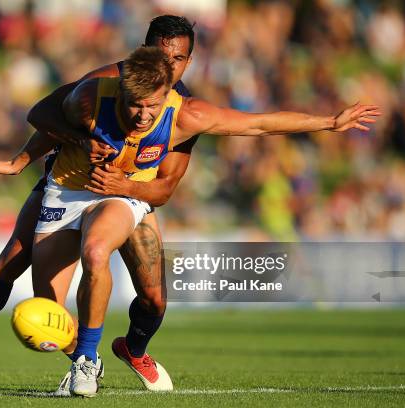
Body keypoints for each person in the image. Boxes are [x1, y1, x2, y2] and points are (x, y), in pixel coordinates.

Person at [26, 45, 380, 397]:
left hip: (123, 193)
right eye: (136, 104)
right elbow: (41, 115)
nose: (143, 115)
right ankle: (87, 356)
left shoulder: (185, 116)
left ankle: (85, 361)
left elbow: (257, 124)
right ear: (121, 91)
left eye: (153, 104)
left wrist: (330, 122)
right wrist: (80, 140)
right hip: (67, 191)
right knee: (49, 309)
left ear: (167, 94)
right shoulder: (90, 96)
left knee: (97, 251)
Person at [0, 15, 197, 392]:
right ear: (144, 48)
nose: (169, 64)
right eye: (162, 54)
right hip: (69, 183)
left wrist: (131, 189)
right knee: (18, 265)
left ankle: (133, 350)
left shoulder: (185, 108)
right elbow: (49, 115)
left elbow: (167, 184)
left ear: (189, 61)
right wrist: (21, 161)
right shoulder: (105, 80)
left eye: (179, 58)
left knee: (153, 299)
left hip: (127, 194)